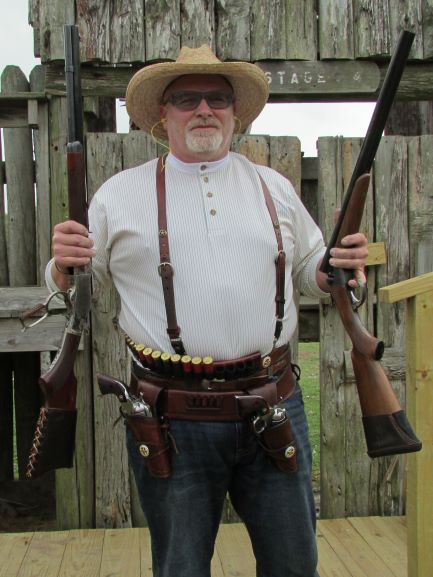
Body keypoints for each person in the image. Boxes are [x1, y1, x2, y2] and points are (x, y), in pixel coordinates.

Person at [47, 45, 368, 577]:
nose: (203, 109)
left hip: (273, 402)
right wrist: (63, 265)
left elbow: (311, 268)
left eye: (217, 97)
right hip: (171, 418)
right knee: (181, 568)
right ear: (163, 114)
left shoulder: (274, 188)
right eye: (186, 98)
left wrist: (335, 266)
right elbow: (81, 283)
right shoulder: (116, 195)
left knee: (294, 566)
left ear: (234, 112)